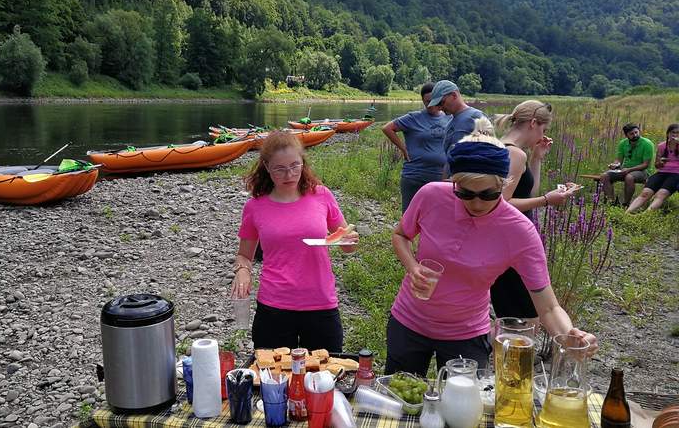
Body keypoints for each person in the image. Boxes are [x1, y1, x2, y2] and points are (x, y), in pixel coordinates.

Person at [386, 118, 598, 376]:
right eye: (465, 193)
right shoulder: (431, 195)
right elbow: (401, 234)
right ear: (454, 182)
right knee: (398, 398)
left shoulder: (519, 231)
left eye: (487, 194)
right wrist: (412, 266)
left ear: (504, 184)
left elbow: (549, 307)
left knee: (463, 411)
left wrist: (569, 336)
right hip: (409, 322)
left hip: (465, 334)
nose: (476, 203)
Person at [231, 131, 358, 352]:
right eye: (280, 168)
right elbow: (244, 254)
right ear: (267, 167)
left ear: (303, 163)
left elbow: (347, 242)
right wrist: (243, 270)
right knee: (272, 378)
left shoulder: (322, 195)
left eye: (295, 165)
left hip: (320, 302)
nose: (289, 174)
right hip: (274, 306)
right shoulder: (255, 206)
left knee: (323, 378)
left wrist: (349, 241)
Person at [492, 101, 578, 319]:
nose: (543, 135)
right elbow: (499, 203)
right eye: (543, 129)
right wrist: (546, 201)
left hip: (508, 239)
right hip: (512, 239)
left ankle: (499, 348)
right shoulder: (514, 154)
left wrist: (537, 158)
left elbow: (526, 194)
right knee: (524, 315)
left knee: (515, 312)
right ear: (533, 123)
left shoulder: (506, 149)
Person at [381, 82, 452, 212]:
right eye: (427, 101)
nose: (430, 105)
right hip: (414, 175)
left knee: (435, 217)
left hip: (439, 176)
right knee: (410, 217)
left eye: (433, 101)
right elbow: (387, 128)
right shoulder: (413, 118)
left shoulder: (449, 118)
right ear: (423, 101)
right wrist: (403, 148)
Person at [626, 124, 679, 212]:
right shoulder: (662, 146)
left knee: (660, 194)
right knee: (645, 193)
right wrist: (661, 162)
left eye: (678, 133)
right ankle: (627, 213)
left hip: (676, 174)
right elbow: (656, 165)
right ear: (668, 134)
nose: (675, 135)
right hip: (662, 172)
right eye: (673, 132)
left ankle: (644, 216)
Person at [426, 79, 486, 156]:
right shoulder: (449, 124)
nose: (439, 108)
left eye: (441, 103)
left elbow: (490, 152)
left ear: (454, 95)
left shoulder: (477, 117)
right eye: (437, 105)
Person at [600, 123, 655, 206]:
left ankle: (626, 204)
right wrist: (615, 165)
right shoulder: (623, 143)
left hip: (642, 171)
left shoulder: (647, 144)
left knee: (629, 177)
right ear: (626, 135)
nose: (635, 135)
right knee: (605, 176)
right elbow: (619, 160)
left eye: (636, 132)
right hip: (625, 169)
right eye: (631, 134)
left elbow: (645, 164)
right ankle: (611, 203)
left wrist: (629, 170)